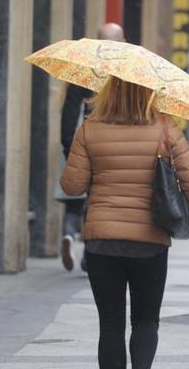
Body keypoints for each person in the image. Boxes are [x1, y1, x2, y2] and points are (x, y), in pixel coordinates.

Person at [60, 76, 189, 369]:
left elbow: (72, 186)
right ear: (150, 93)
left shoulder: (90, 128)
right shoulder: (165, 127)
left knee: (110, 324)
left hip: (102, 241)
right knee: (146, 321)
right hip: (150, 241)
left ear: (107, 92)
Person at [59, 22, 125, 272]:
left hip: (87, 143)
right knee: (102, 202)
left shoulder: (84, 70)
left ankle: (69, 233)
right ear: (123, 40)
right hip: (116, 148)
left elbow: (69, 114)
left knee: (80, 196)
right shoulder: (128, 73)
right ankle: (90, 252)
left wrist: (69, 150)